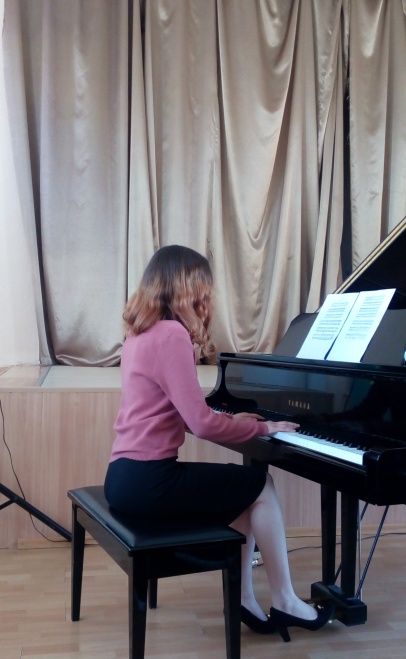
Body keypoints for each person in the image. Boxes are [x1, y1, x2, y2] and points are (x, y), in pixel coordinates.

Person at [104, 245, 334, 642]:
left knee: (242, 496)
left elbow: (172, 411)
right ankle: (286, 600)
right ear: (189, 288)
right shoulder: (172, 334)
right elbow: (200, 423)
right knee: (260, 485)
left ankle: (243, 599)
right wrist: (264, 429)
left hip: (125, 477)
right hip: (150, 480)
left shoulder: (139, 334)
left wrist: (229, 420)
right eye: (204, 288)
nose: (208, 296)